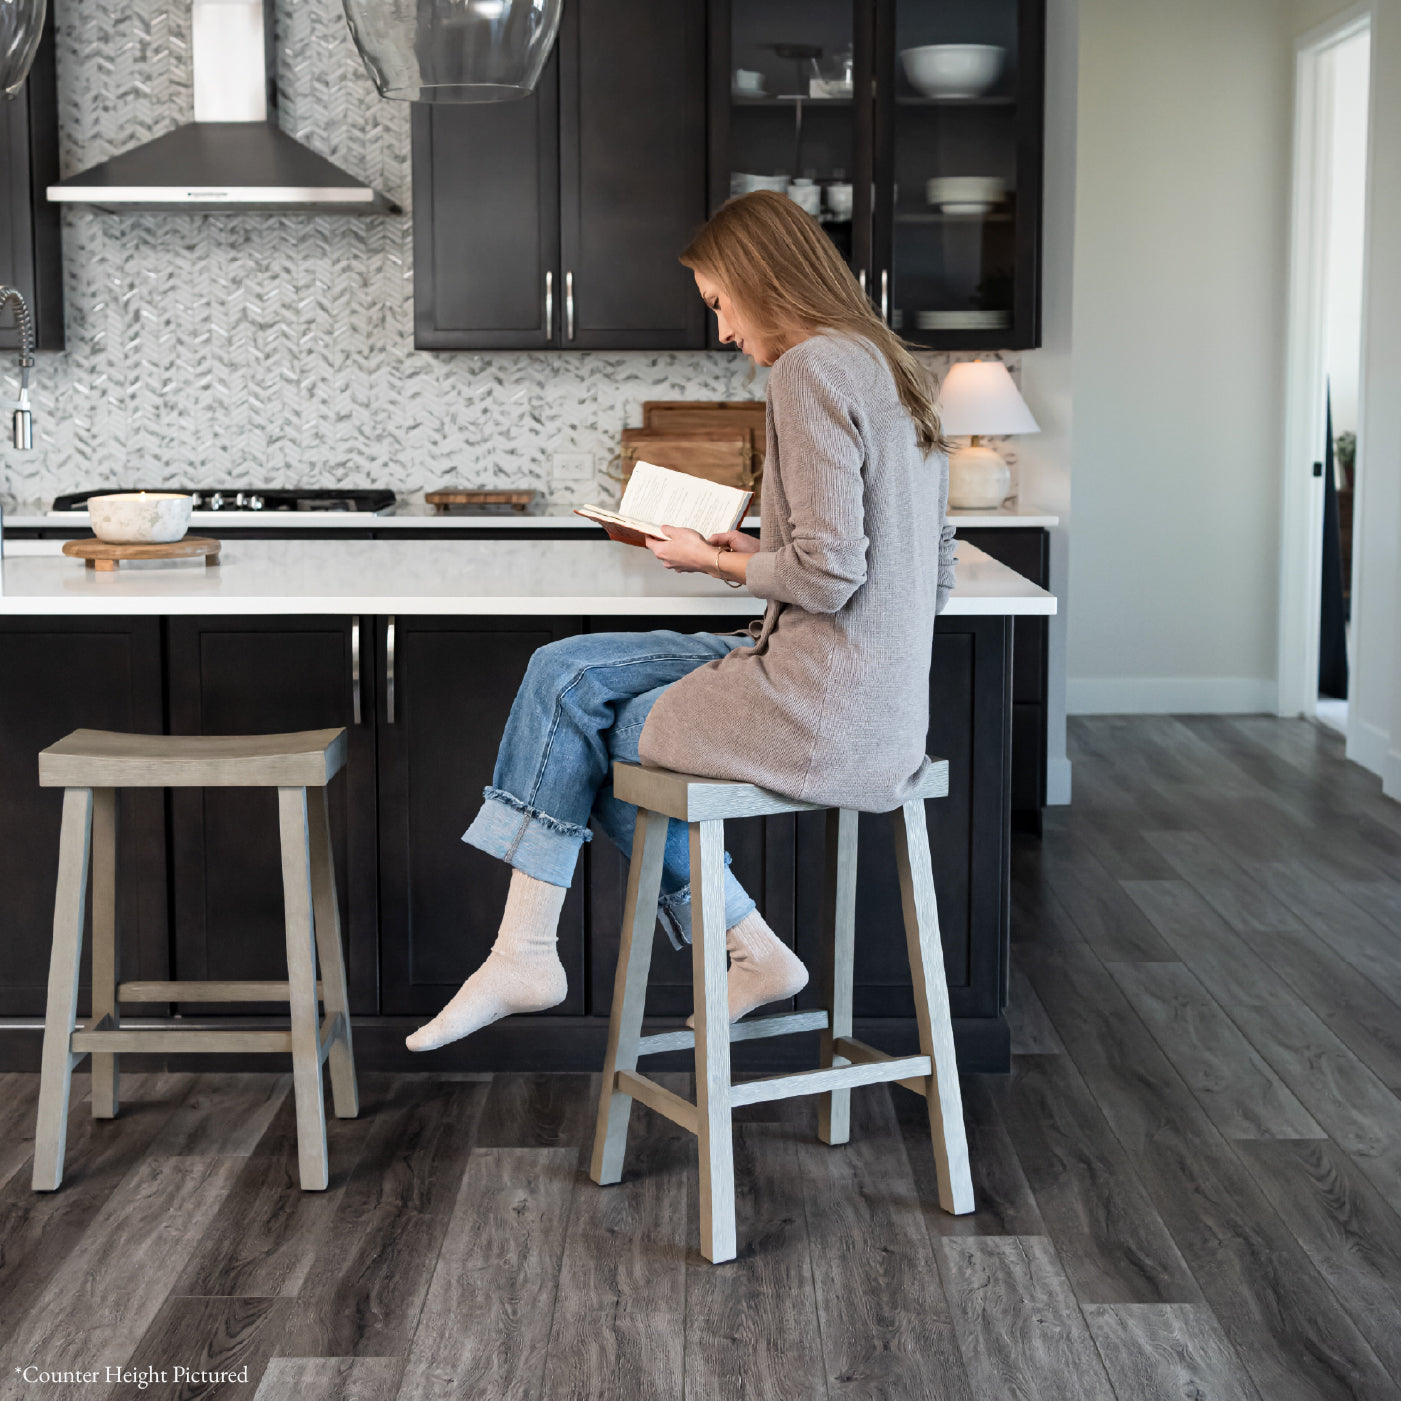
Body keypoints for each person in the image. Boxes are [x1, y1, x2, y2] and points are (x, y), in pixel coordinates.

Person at [405, 189, 957, 1053]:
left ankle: (532, 951)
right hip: (878, 711)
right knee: (568, 670)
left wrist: (713, 560)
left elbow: (827, 573)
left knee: (600, 726)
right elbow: (925, 564)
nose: (725, 331)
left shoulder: (809, 368)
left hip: (813, 707)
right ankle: (736, 951)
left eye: (720, 304)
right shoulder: (890, 365)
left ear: (760, 279)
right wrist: (754, 546)